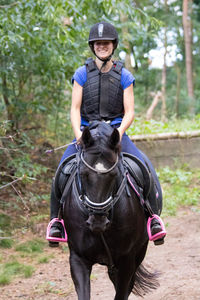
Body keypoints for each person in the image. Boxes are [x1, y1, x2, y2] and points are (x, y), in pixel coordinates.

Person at [48, 21, 166, 246]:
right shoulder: (82, 73)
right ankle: (56, 221)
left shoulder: (124, 75)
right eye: (98, 43)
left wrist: (119, 133)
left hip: (114, 134)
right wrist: (79, 134)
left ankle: (152, 217)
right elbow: (74, 108)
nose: (102, 46)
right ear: (93, 46)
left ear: (113, 45)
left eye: (106, 43)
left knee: (143, 165)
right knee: (62, 170)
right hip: (89, 135)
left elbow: (130, 111)